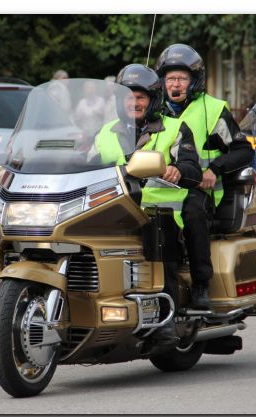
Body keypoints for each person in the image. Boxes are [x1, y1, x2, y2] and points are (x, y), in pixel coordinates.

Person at [92, 63, 203, 344]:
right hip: (114, 209)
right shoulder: (104, 132)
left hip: (159, 214)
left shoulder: (174, 128)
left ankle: (167, 317)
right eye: (128, 97)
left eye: (140, 97)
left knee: (158, 231)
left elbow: (193, 169)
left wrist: (178, 170)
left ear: (152, 99)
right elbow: (86, 165)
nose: (134, 102)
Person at [154, 43, 254, 309]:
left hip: (200, 187)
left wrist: (215, 169)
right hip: (157, 186)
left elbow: (243, 150)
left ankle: (201, 285)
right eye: (170, 78)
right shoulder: (154, 110)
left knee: (193, 214)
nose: (175, 84)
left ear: (194, 81)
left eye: (182, 78)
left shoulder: (212, 109)